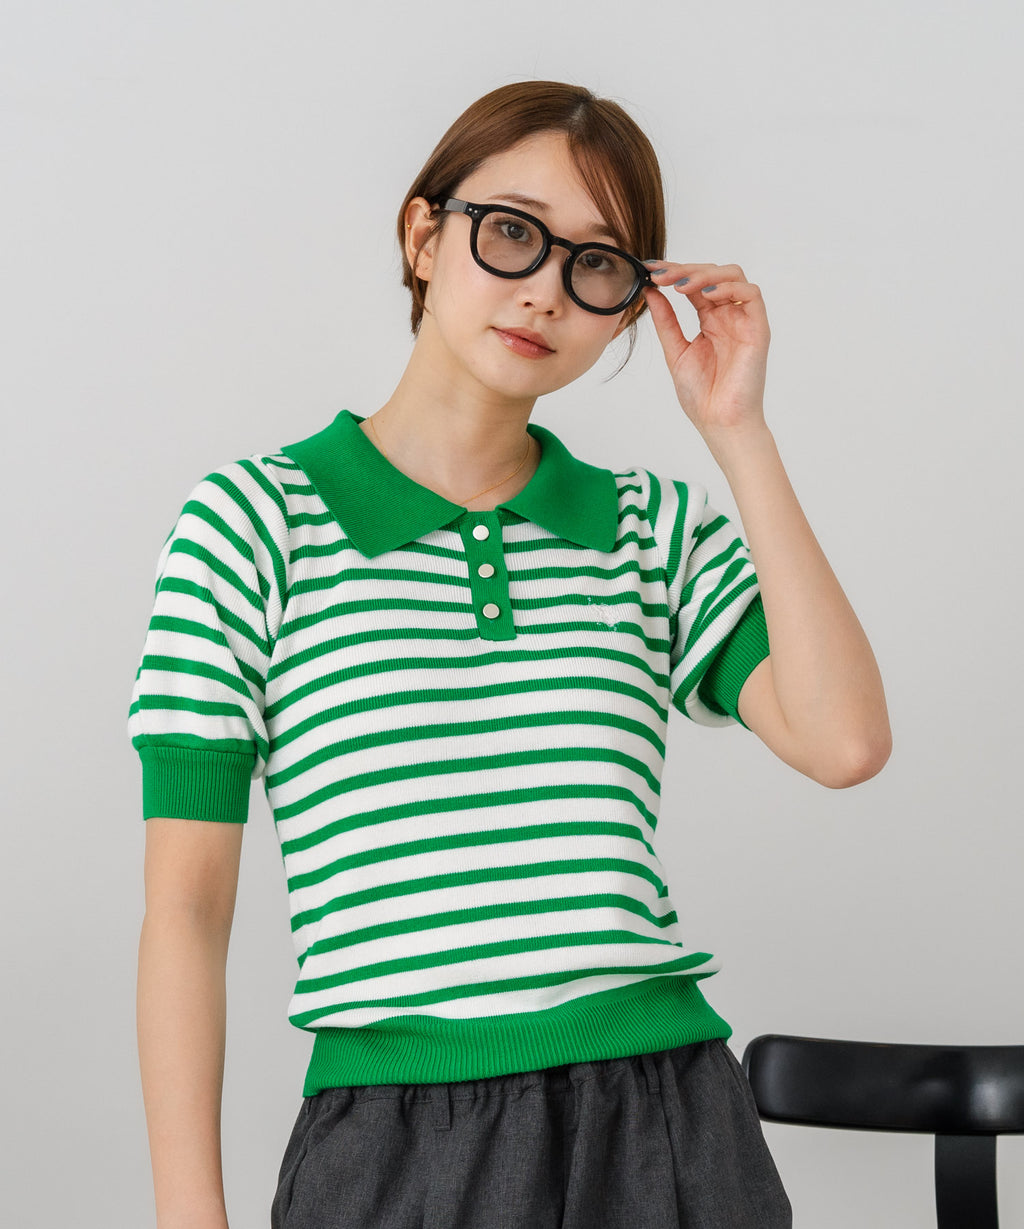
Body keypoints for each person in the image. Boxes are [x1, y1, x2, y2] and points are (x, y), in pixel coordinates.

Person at [130, 79, 891, 1229]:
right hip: (397, 1133)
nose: (545, 289)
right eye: (512, 233)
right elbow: (186, 909)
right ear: (423, 235)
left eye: (597, 264)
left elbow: (844, 742)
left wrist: (737, 431)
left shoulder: (648, 526)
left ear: (626, 311)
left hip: (665, 1118)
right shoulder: (250, 524)